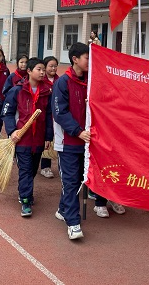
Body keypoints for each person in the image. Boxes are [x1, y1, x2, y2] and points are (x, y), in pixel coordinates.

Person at [2, 57, 53, 217]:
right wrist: (12, 131)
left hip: (38, 138)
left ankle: (24, 191)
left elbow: (50, 115)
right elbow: (7, 113)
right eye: (39, 69)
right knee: (25, 170)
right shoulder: (17, 90)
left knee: (32, 170)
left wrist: (48, 137)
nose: (42, 72)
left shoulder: (47, 91)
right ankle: (25, 200)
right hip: (22, 138)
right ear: (29, 71)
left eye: (43, 70)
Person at [52, 42, 89, 239]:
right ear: (75, 59)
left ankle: (63, 209)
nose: (90, 62)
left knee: (78, 181)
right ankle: (73, 223)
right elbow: (60, 113)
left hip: (87, 142)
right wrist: (77, 131)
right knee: (70, 180)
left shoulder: (90, 80)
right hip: (68, 142)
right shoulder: (63, 82)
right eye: (87, 58)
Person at [40, 55, 59, 179]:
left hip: (57, 116)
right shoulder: (41, 81)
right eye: (51, 66)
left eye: (55, 66)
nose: (53, 68)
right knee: (46, 139)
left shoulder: (60, 80)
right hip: (44, 115)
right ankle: (45, 167)